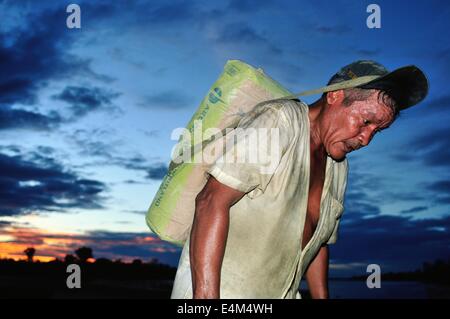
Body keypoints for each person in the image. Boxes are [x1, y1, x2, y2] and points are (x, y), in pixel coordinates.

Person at [170, 60, 429, 299]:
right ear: (335, 95)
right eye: (365, 121)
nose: (366, 139)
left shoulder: (338, 167)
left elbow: (316, 244)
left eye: (378, 131)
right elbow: (211, 201)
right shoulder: (279, 122)